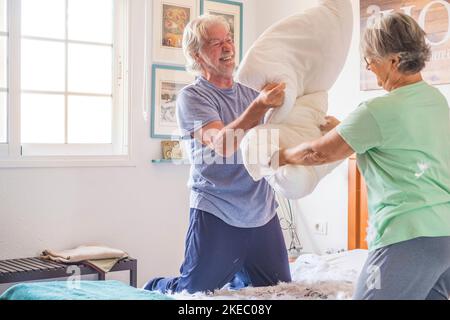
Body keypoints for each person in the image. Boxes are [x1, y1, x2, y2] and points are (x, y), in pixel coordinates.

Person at [273, 12, 450, 300]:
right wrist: (345, 128)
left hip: (406, 235)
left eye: (371, 59)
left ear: (393, 61)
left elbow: (317, 153)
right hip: (444, 236)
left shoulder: (377, 110)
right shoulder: (436, 101)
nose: (369, 67)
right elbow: (396, 136)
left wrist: (277, 155)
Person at [144, 14, 291, 294]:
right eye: (215, 43)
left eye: (229, 40)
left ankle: (237, 276)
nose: (227, 48)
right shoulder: (192, 97)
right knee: (194, 292)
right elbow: (223, 144)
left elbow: (273, 143)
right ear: (197, 56)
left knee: (279, 289)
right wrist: (259, 107)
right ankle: (156, 287)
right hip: (217, 210)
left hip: (262, 211)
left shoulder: (252, 90)